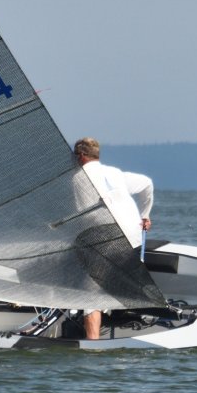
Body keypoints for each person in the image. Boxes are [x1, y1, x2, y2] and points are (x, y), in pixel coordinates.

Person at [73, 136, 153, 339]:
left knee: (90, 293)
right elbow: (147, 183)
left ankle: (92, 345)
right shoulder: (115, 173)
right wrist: (145, 215)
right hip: (134, 236)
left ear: (80, 156)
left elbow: (83, 216)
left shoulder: (77, 177)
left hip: (109, 236)